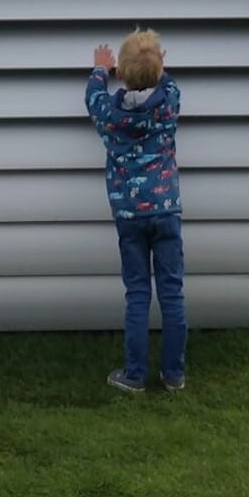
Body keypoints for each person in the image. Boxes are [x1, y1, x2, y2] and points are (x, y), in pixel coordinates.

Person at [85, 27, 187, 395]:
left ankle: (134, 375)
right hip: (165, 211)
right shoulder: (169, 102)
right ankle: (174, 375)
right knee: (172, 292)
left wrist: (100, 69)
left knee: (138, 293)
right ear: (160, 69)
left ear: (122, 74)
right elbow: (168, 83)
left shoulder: (109, 114)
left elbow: (92, 96)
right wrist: (157, 64)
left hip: (129, 217)